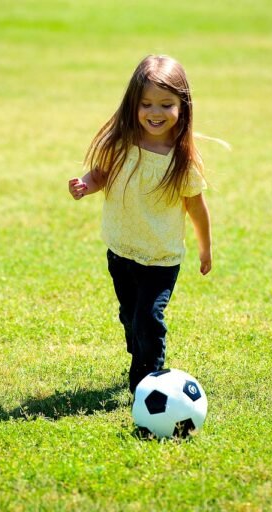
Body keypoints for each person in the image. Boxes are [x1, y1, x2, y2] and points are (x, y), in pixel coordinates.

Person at [67, 55, 212, 393]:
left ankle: (147, 383)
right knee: (131, 318)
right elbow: (102, 173)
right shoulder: (121, 145)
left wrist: (205, 248)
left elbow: (196, 207)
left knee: (149, 320)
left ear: (182, 107)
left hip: (161, 259)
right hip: (121, 250)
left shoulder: (182, 160)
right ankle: (139, 352)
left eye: (166, 104)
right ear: (133, 104)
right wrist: (86, 184)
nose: (155, 112)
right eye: (146, 103)